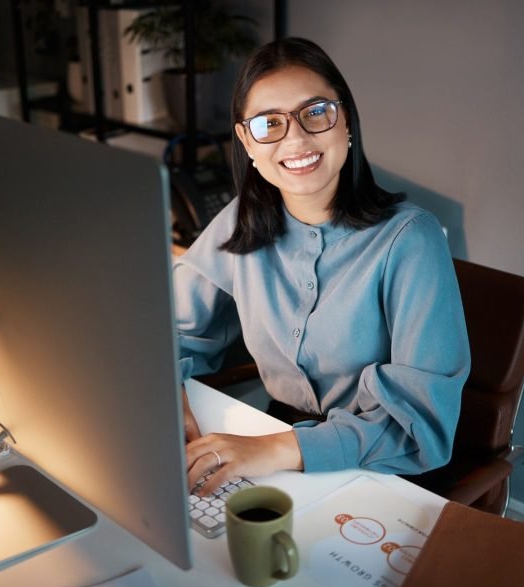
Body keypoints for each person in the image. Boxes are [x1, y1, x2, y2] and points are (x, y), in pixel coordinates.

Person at [175, 37, 470, 496]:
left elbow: (421, 430)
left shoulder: (411, 240)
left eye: (315, 113)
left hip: (384, 470)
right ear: (246, 142)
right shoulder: (242, 219)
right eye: (268, 123)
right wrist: (169, 396)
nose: (295, 139)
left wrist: (273, 450)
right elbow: (168, 330)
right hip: (278, 445)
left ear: (345, 120)